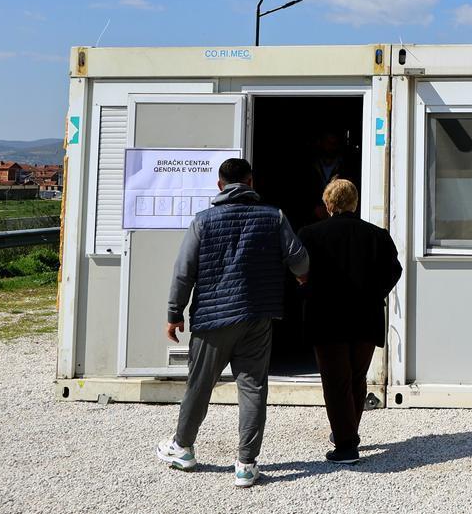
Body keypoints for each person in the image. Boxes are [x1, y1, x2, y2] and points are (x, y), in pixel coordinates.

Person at [155, 157, 309, 488]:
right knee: (252, 387)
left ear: (219, 185)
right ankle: (246, 464)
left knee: (200, 384)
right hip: (257, 316)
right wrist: (301, 276)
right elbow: (299, 258)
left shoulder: (203, 221)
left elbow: (184, 272)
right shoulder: (274, 217)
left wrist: (173, 313)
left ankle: (182, 447)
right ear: (252, 182)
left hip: (212, 319)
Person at [298, 178, 402, 464]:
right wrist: (375, 292)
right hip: (365, 316)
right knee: (356, 378)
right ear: (354, 203)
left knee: (335, 381)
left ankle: (345, 445)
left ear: (328, 204)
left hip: (326, 317)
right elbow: (394, 270)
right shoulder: (377, 235)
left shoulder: (309, 234)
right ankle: (348, 432)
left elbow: (297, 271)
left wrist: (307, 290)